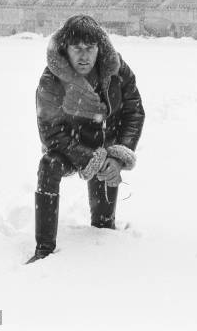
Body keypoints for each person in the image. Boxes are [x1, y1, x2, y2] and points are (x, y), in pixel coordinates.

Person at [28, 15, 145, 264]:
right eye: (77, 48)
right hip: (70, 149)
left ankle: (103, 257)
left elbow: (133, 112)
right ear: (65, 49)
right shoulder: (51, 80)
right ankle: (44, 249)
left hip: (108, 147)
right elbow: (50, 132)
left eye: (90, 48)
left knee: (102, 227)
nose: (84, 56)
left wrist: (117, 156)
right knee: (48, 166)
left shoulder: (118, 72)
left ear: (99, 48)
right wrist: (90, 158)